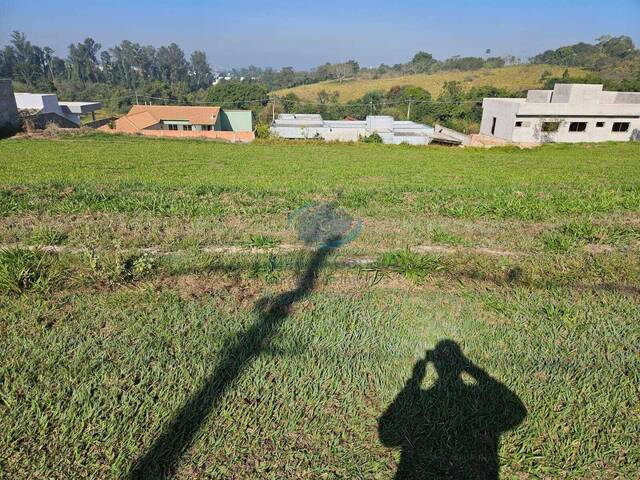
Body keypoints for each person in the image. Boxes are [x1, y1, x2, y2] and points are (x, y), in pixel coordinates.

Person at [379, 340, 526, 480]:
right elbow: (517, 411)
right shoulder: (474, 395)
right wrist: (467, 366)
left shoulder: (426, 398)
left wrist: (414, 381)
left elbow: (387, 437)